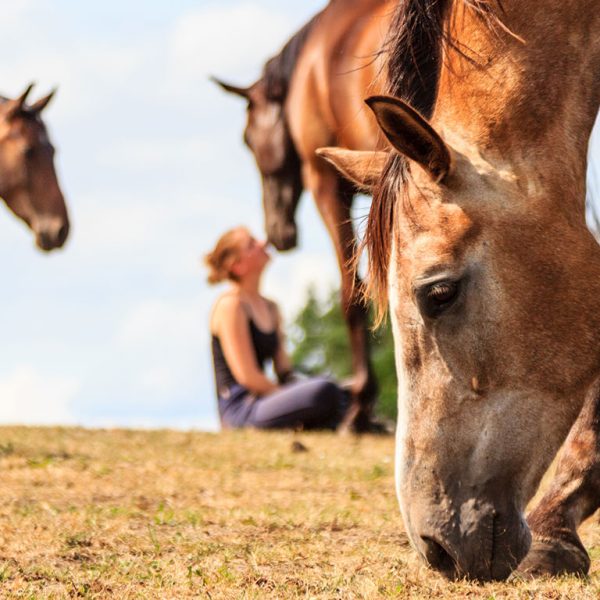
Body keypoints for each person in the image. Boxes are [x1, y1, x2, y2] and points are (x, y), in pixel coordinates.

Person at [204, 226, 346, 430]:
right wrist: (292, 396)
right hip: (241, 407)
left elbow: (284, 370)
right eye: (252, 244)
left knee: (338, 391)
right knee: (324, 392)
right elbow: (248, 377)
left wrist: (300, 388)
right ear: (237, 266)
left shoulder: (271, 307)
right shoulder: (231, 306)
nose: (263, 243)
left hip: (265, 400)